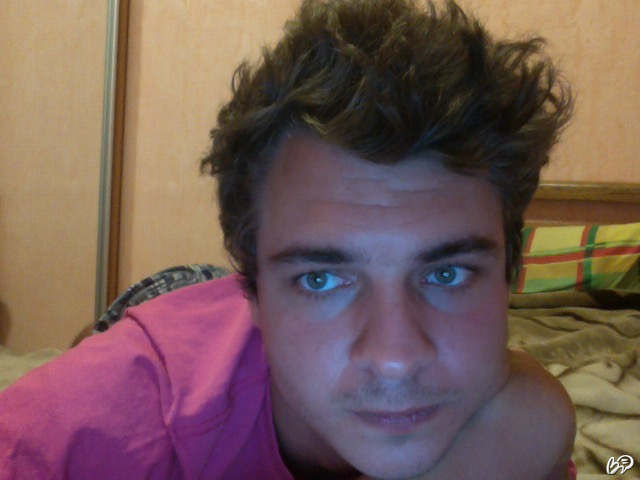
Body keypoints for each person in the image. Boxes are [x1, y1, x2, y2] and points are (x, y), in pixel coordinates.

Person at [0, 0, 576, 478]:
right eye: (320, 279)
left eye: (446, 274)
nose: (396, 360)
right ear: (251, 288)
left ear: (510, 274)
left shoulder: (520, 421)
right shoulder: (74, 430)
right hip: (174, 305)